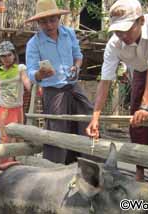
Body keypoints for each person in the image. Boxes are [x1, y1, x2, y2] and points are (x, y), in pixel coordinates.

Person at [86, 0, 148, 185]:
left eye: (127, 29)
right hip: (139, 72)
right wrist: (95, 117)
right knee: (136, 123)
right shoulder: (114, 44)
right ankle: (139, 171)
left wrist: (146, 107)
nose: (122, 35)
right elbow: (105, 81)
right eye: (118, 31)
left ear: (141, 21)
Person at [25, 0, 93, 164]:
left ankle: (88, 164)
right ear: (38, 22)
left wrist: (76, 67)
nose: (49, 25)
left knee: (87, 117)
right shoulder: (34, 43)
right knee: (57, 129)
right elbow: (31, 73)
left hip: (73, 87)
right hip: (53, 91)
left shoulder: (69, 33)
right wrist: (41, 74)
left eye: (52, 20)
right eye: (43, 21)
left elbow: (78, 57)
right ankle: (54, 168)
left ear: (58, 18)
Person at [0, 41, 31, 163]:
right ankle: (5, 166)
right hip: (2, 108)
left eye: (8, 55)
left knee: (18, 137)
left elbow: (26, 80)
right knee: (5, 138)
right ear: (0, 57)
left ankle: (19, 164)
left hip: (17, 109)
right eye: (3, 56)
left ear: (14, 55)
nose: (6, 58)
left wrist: (31, 86)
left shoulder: (21, 68)